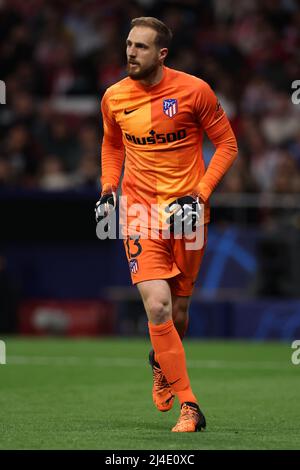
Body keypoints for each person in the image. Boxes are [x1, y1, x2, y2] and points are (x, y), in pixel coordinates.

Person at [95, 17, 238, 432]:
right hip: (139, 212)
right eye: (127, 44)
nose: (130, 53)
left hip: (187, 215)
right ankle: (190, 406)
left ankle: (160, 362)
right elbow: (112, 142)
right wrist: (108, 187)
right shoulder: (114, 97)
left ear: (161, 54)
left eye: (140, 47)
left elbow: (227, 144)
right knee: (156, 305)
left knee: (177, 310)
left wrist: (201, 194)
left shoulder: (195, 91)